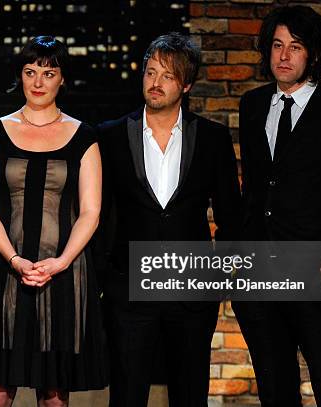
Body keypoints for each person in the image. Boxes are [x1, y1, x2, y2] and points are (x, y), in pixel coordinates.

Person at [96, 32, 241, 407]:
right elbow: (97, 214)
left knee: (190, 394)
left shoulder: (212, 139)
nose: (155, 83)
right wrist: (102, 282)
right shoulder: (110, 136)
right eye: (150, 72)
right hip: (128, 291)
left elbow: (230, 215)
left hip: (192, 291)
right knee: (126, 396)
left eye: (167, 76)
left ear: (187, 84)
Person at [233, 6, 321, 406]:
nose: (284, 56)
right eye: (277, 45)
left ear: (314, 55)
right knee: (275, 391)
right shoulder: (253, 105)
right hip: (259, 273)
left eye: (295, 47)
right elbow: (254, 191)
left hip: (315, 273)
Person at [0, 36, 107, 407]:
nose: (39, 81)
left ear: (62, 79)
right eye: (30, 72)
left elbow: (91, 211)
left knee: (54, 391)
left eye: (48, 72)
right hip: (6, 268)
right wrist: (14, 259)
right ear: (21, 76)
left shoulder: (84, 136)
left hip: (64, 273)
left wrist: (60, 263)